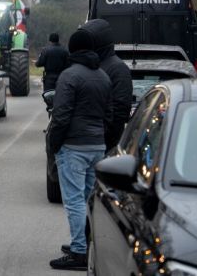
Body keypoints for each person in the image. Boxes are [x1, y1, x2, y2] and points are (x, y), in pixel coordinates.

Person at [47, 28, 111, 271]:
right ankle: (87, 243)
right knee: (90, 199)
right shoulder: (103, 76)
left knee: (73, 200)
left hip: (73, 146)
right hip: (98, 146)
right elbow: (109, 114)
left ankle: (79, 252)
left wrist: (55, 143)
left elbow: (61, 116)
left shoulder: (69, 76)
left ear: (72, 49)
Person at [82, 19, 133, 151]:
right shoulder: (90, 64)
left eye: (88, 41)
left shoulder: (117, 69)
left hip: (105, 145)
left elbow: (120, 110)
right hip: (86, 142)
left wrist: (105, 140)